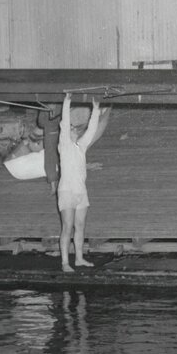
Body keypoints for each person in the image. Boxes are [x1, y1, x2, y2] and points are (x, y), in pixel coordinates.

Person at [56, 93, 110, 272]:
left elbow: (92, 130)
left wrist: (95, 109)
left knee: (80, 226)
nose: (74, 130)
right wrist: (67, 101)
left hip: (81, 192)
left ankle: (79, 258)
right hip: (67, 192)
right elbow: (64, 123)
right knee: (67, 227)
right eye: (71, 128)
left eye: (74, 129)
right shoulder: (63, 145)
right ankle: (65, 262)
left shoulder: (81, 146)